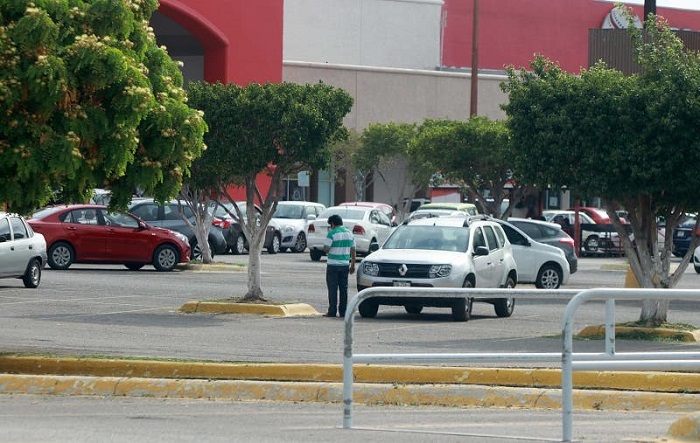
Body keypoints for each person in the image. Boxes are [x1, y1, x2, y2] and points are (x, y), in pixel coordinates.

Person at [322, 214, 356, 318]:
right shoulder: (350, 233)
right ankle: (343, 312)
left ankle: (332, 311)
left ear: (332, 224)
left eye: (330, 225)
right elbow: (353, 250)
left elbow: (326, 249)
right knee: (343, 289)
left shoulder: (332, 233)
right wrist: (353, 265)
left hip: (333, 265)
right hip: (345, 265)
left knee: (332, 289)